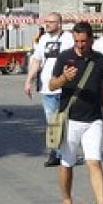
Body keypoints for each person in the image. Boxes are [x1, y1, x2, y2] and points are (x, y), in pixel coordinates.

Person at [49, 21, 103, 204]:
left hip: (93, 119)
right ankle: (67, 200)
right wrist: (63, 78)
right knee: (67, 163)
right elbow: (51, 85)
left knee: (94, 162)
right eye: (77, 41)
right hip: (69, 120)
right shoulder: (64, 57)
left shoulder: (99, 59)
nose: (80, 45)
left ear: (91, 40)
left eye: (83, 41)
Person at [24, 12, 72, 167]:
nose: (48, 24)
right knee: (52, 122)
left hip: (65, 87)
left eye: (51, 22)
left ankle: (66, 152)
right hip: (47, 87)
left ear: (59, 23)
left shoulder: (68, 38)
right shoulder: (43, 39)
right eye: (46, 22)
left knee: (66, 122)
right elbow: (36, 60)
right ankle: (56, 153)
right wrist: (28, 80)